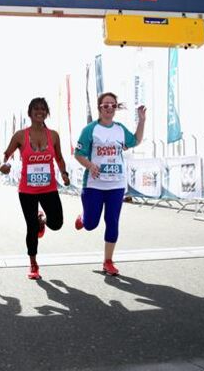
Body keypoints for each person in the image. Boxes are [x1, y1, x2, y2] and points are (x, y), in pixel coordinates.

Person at [74, 92, 146, 276]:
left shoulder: (120, 129)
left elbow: (136, 141)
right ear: (99, 108)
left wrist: (142, 120)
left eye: (113, 105)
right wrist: (90, 165)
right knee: (91, 224)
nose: (109, 109)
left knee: (112, 222)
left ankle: (108, 261)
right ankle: (83, 218)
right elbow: (79, 154)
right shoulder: (90, 129)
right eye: (105, 105)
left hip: (116, 184)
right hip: (94, 184)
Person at [0, 97, 70, 280]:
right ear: (30, 113)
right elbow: (6, 155)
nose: (39, 111)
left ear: (47, 112)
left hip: (49, 188)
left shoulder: (53, 135)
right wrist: (3, 165)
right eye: (36, 109)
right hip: (27, 190)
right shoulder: (20, 135)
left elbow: (60, 158)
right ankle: (33, 264)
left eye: (43, 108)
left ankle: (43, 220)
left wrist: (64, 173)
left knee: (57, 223)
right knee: (31, 227)